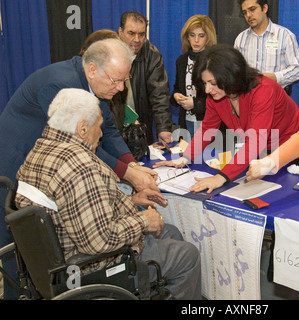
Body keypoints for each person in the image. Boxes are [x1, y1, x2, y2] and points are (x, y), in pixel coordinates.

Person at [0, 38, 159, 298]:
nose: (120, 89)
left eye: (124, 81)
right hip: (14, 166)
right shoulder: (60, 84)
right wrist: (129, 175)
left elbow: (106, 128)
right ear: (93, 69)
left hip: (44, 167)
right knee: (20, 250)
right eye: (115, 81)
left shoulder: (93, 83)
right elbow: (83, 147)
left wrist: (132, 165)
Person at [15, 88, 202, 300]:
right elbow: (99, 241)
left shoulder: (42, 148)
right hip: (92, 267)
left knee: (170, 233)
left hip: (59, 254)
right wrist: (142, 221)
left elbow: (75, 204)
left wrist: (131, 200)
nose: (102, 133)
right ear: (82, 128)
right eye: (99, 126)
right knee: (188, 256)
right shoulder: (79, 165)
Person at [154, 45, 299, 193]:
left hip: (287, 141)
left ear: (231, 76)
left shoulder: (263, 90)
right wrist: (185, 158)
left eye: (213, 83)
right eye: (204, 83)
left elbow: (255, 141)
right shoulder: (215, 95)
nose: (207, 90)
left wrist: (221, 177)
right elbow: (208, 129)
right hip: (259, 145)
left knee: (277, 190)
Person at [117, 10, 173, 144]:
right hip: (113, 126)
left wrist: (163, 128)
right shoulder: (108, 52)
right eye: (131, 33)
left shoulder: (152, 55)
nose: (137, 40)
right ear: (120, 32)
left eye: (141, 34)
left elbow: (159, 94)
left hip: (140, 127)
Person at [234, 0, 299, 95]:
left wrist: (276, 77)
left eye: (252, 9)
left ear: (264, 8)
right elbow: (235, 69)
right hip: (248, 96)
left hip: (276, 97)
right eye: (245, 12)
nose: (248, 15)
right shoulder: (241, 39)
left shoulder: (284, 35)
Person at [170, 15, 217, 140]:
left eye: (201, 36)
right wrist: (176, 96)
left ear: (208, 37)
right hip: (186, 120)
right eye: (192, 35)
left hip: (209, 121)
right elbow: (177, 88)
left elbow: (220, 98)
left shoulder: (215, 61)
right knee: (188, 157)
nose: (196, 40)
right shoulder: (181, 61)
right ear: (187, 37)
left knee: (208, 157)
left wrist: (195, 104)